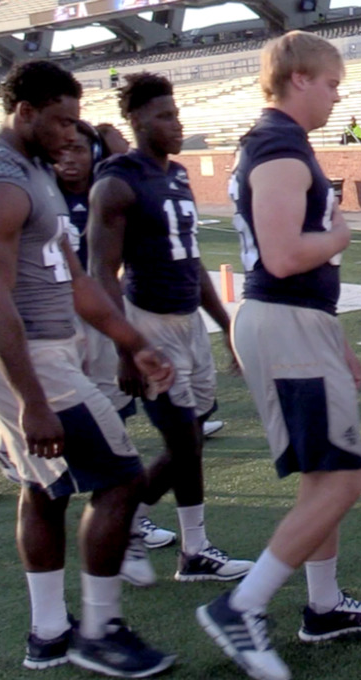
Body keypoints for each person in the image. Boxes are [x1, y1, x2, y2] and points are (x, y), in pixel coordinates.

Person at [198, 30, 361, 680]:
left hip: (295, 322)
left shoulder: (273, 143)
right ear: (300, 80)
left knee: (324, 477)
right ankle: (242, 605)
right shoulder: (281, 147)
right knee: (342, 481)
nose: (338, 96)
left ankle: (323, 606)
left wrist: (333, 332)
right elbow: (285, 256)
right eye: (333, 83)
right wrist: (339, 233)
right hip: (284, 322)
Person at [0, 60, 175, 677]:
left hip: (43, 353)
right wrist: (32, 399)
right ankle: (100, 632)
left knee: (46, 489)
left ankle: (50, 631)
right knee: (121, 479)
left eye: (75, 124)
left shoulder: (32, 170)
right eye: (58, 122)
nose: (69, 136)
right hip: (28, 357)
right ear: (24, 113)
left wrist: (130, 340)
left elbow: (74, 278)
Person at [89, 72, 252, 586]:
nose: (175, 124)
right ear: (135, 121)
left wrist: (225, 324)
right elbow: (100, 271)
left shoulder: (178, 175)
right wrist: (124, 348)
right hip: (149, 325)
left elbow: (192, 260)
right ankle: (134, 527)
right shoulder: (117, 182)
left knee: (193, 439)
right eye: (163, 115)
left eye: (176, 113)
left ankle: (193, 550)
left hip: (188, 323)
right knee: (182, 441)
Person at [56, 122, 178, 552]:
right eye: (63, 149)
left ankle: (122, 521)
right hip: (50, 327)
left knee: (115, 418)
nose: (68, 158)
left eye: (78, 149)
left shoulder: (108, 190)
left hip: (99, 320)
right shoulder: (39, 195)